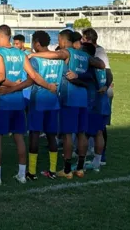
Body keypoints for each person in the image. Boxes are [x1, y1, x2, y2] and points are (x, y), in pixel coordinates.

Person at [0, 24, 56, 186]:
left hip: (2, 102)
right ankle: (22, 175)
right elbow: (32, 77)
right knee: (19, 138)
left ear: (0, 36)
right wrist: (48, 86)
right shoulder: (21, 53)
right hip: (18, 102)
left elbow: (0, 77)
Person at [29, 30, 105, 179]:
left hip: (69, 98)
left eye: (59, 40)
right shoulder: (84, 55)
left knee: (67, 134)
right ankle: (80, 168)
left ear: (63, 40)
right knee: (82, 133)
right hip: (83, 99)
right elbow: (101, 64)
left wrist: (34, 55)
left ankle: (67, 169)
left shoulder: (67, 52)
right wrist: (81, 74)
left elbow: (54, 55)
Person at [0, 31, 64, 180]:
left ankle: (32, 172)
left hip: (38, 100)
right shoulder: (58, 59)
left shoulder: (36, 60)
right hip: (53, 101)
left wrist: (11, 89)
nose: (32, 46)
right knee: (51, 136)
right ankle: (52, 170)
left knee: (34, 133)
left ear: (37, 43)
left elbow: (31, 80)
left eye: (33, 42)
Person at [82, 28, 113, 165]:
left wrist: (75, 77)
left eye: (83, 39)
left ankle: (99, 156)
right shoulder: (96, 57)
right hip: (100, 98)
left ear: (88, 40)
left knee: (97, 128)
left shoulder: (98, 54)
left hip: (97, 98)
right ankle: (96, 156)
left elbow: (107, 73)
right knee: (97, 128)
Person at [78, 42, 109, 173]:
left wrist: (74, 77)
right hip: (103, 103)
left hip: (92, 103)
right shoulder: (100, 64)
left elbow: (83, 79)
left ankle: (82, 163)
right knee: (99, 132)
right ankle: (97, 162)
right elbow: (109, 75)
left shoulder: (89, 66)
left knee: (84, 133)